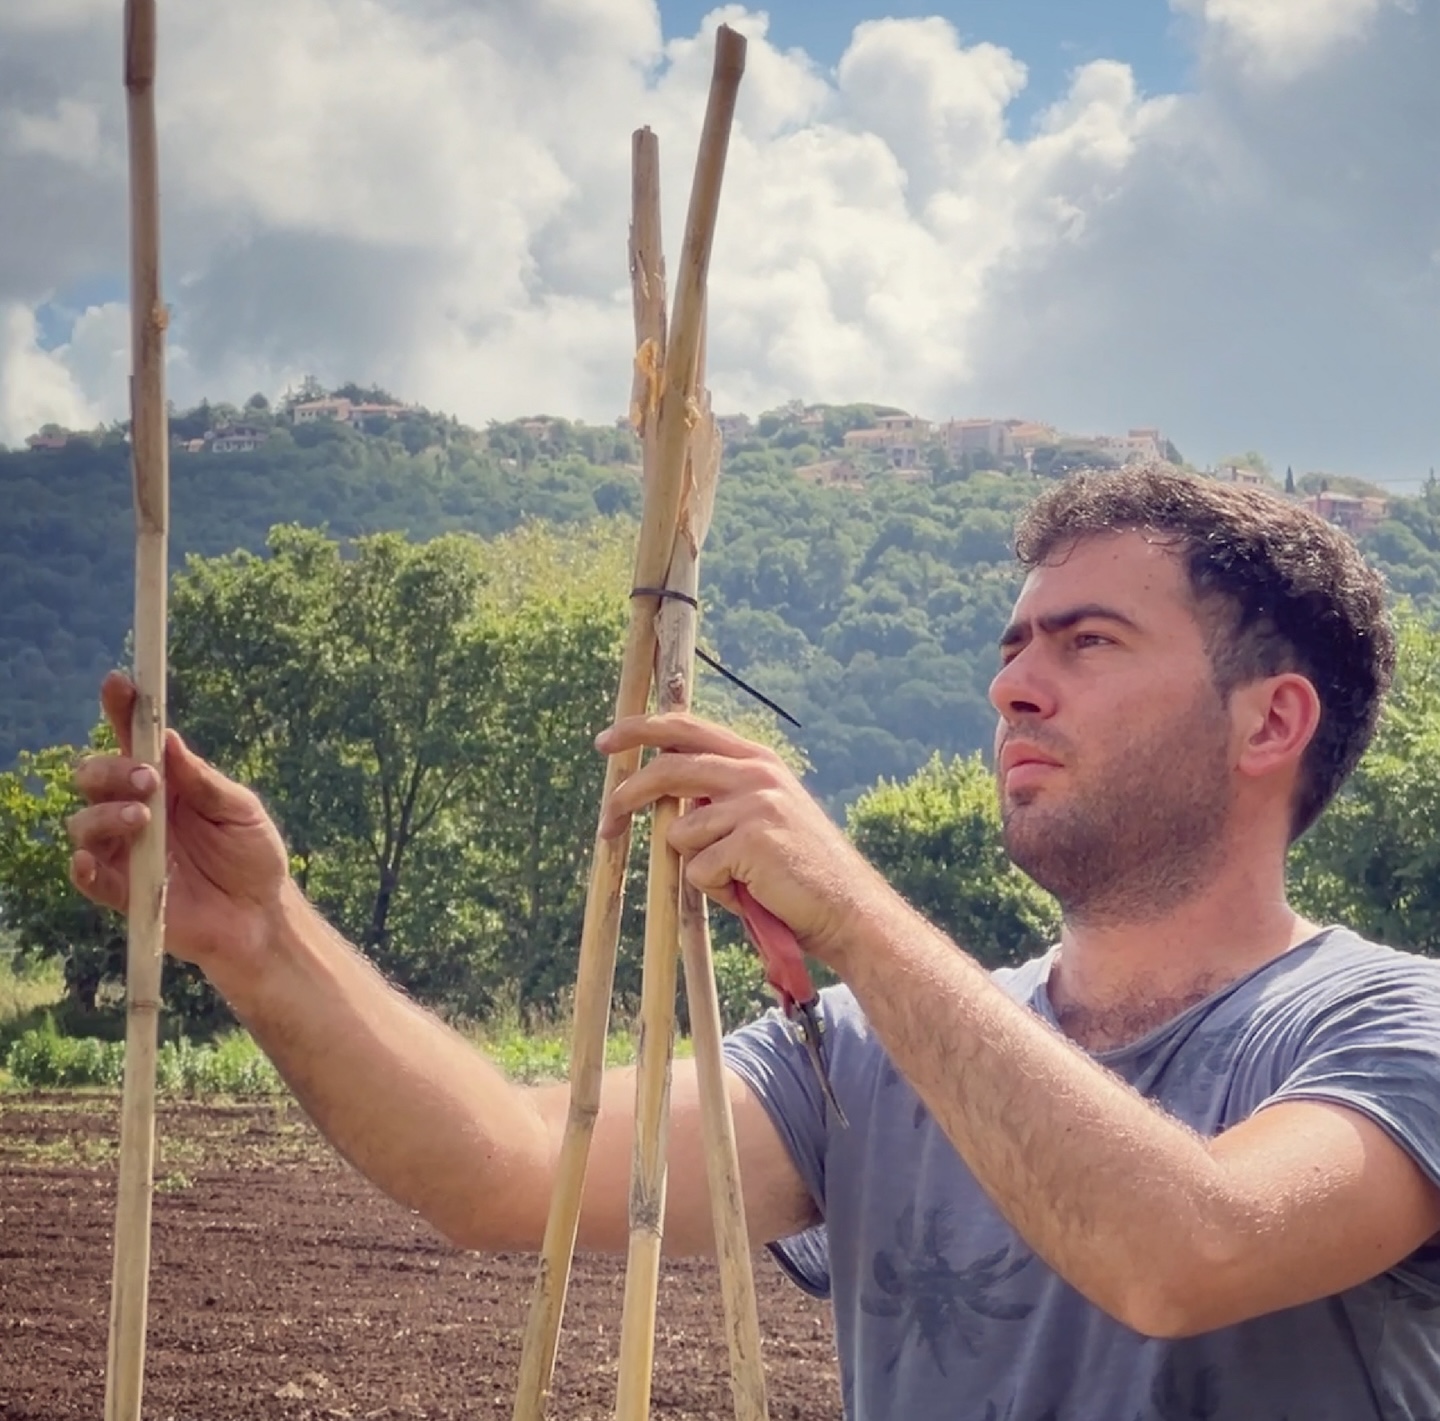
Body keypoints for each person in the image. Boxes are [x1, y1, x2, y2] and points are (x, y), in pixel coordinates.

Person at [68, 466, 1440, 1420]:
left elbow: (1181, 1252)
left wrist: (847, 907)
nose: (1013, 683)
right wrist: (261, 936)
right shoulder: (861, 1056)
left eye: (1087, 641)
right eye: (1015, 644)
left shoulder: (1387, 1031)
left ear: (1270, 722)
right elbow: (503, 1170)